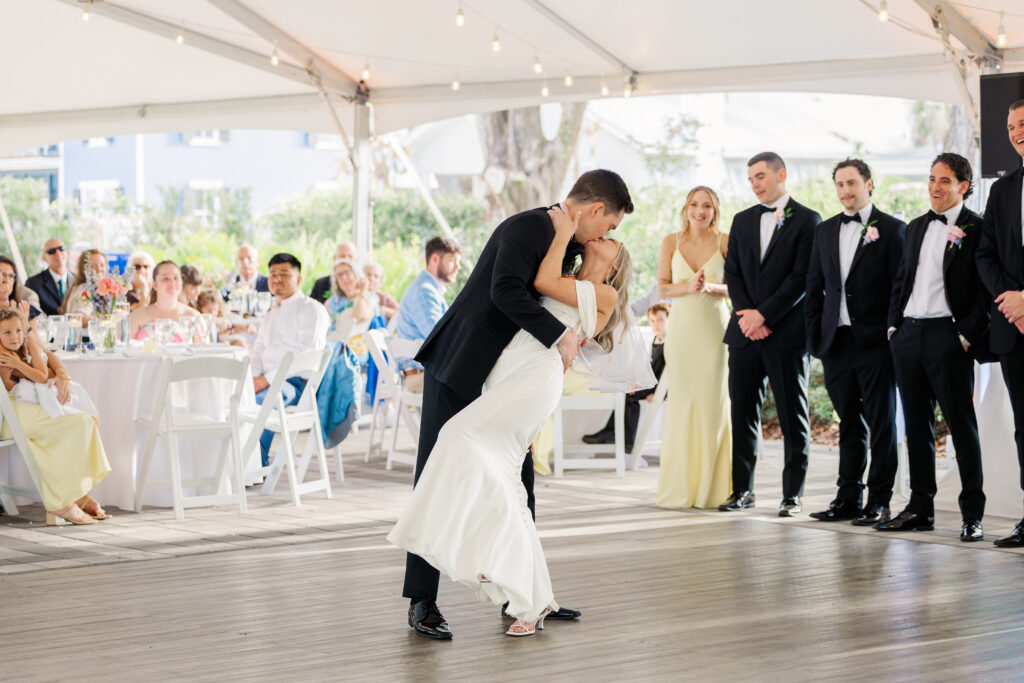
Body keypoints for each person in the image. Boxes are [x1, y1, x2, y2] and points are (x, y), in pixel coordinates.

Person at [393, 169, 632, 641]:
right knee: (438, 470)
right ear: (594, 209)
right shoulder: (530, 227)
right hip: (462, 362)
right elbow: (505, 292)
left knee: (519, 480)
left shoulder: (571, 245)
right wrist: (560, 335)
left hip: (512, 376)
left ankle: (524, 594)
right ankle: (422, 600)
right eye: (609, 225)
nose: (606, 236)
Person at [876, 153, 990, 542]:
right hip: (908, 335)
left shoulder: (978, 228)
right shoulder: (915, 226)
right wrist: (894, 327)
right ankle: (920, 509)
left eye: (944, 180)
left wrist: (965, 335)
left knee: (962, 427)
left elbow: (985, 291)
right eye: (931, 179)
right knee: (916, 426)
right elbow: (902, 280)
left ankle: (972, 514)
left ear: (963, 186)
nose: (934, 187)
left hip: (949, 336)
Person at [720, 153, 822, 516]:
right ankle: (742, 490)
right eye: (751, 178)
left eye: (760, 176)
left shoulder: (808, 220)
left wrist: (764, 315)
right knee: (742, 414)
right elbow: (733, 272)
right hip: (744, 333)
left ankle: (792, 495)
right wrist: (748, 316)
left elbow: (802, 278)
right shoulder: (742, 220)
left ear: (781, 175)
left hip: (786, 335)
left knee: (793, 416)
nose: (755, 184)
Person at [805, 160, 906, 526]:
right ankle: (847, 498)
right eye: (840, 184)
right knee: (848, 421)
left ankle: (879, 501)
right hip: (836, 342)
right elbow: (814, 286)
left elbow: (900, 288)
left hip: (876, 342)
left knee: (882, 423)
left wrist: (891, 332)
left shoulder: (893, 230)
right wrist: (815, 337)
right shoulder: (825, 229)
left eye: (852, 183)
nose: (845, 190)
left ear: (869, 184)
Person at [655, 186, 732, 508]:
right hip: (683, 332)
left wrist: (710, 287)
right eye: (694, 204)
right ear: (686, 208)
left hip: (714, 330)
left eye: (707, 206)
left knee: (712, 405)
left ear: (715, 211)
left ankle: (713, 490)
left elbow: (739, 289)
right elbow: (662, 288)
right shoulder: (670, 242)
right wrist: (688, 287)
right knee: (682, 405)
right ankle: (681, 486)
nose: (700, 211)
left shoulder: (725, 241)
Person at [0, 308, 111, 525]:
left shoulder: (24, 345)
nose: (14, 336)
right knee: (77, 424)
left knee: (85, 421)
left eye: (18, 331)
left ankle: (74, 494)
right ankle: (62, 501)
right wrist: (24, 372)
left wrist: (51, 373)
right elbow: (9, 385)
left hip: (26, 402)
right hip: (9, 412)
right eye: (7, 332)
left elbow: (44, 368)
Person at [978, 100, 1024, 548]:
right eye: (1011, 126)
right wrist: (1012, 303)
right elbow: (985, 253)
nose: (1016, 132)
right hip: (1014, 328)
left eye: (1023, 123)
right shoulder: (1002, 189)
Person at [250, 253, 329, 467]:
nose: (277, 279)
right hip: (268, 381)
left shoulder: (312, 309)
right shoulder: (270, 314)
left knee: (262, 400)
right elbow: (257, 352)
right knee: (235, 397)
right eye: (273, 274)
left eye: (284, 274)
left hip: (297, 385)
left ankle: (256, 464)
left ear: (298, 279)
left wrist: (266, 380)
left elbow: (305, 356)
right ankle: (239, 463)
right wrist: (253, 379)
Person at [583, 301, 668, 452]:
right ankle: (611, 431)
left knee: (630, 395)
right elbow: (650, 369)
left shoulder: (669, 343)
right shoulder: (655, 341)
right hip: (653, 383)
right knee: (626, 390)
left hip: (662, 387)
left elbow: (666, 374)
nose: (656, 324)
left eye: (661, 320)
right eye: (653, 321)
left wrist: (657, 393)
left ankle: (626, 440)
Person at [394, 236, 462, 393]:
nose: (458, 267)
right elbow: (440, 338)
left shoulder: (429, 289)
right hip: (421, 376)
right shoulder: (424, 291)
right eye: (452, 260)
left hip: (428, 372)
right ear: (435, 259)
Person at [128, 261, 200, 339]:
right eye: (165, 279)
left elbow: (203, 345)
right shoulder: (136, 316)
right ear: (154, 285)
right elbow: (123, 345)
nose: (172, 282)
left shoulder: (193, 316)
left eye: (176, 278)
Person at [325, 258, 380, 327]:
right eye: (339, 275)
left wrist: (363, 292)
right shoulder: (333, 300)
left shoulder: (371, 297)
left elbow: (359, 318)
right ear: (337, 281)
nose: (344, 277)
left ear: (356, 274)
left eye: (347, 272)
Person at [25, 238, 71, 316]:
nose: (58, 253)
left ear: (66, 252)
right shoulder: (33, 284)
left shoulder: (79, 281)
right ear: (44, 258)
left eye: (61, 248)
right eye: (52, 251)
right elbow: (31, 314)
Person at [59, 249, 107, 323]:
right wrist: (104, 320)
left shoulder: (92, 287)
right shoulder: (85, 289)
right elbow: (79, 319)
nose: (99, 269)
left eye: (102, 265)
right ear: (84, 269)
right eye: (93, 266)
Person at [0, 255, 43, 329]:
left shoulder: (24, 307)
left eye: (11, 276)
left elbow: (39, 334)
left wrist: (24, 323)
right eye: (3, 275)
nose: (7, 281)